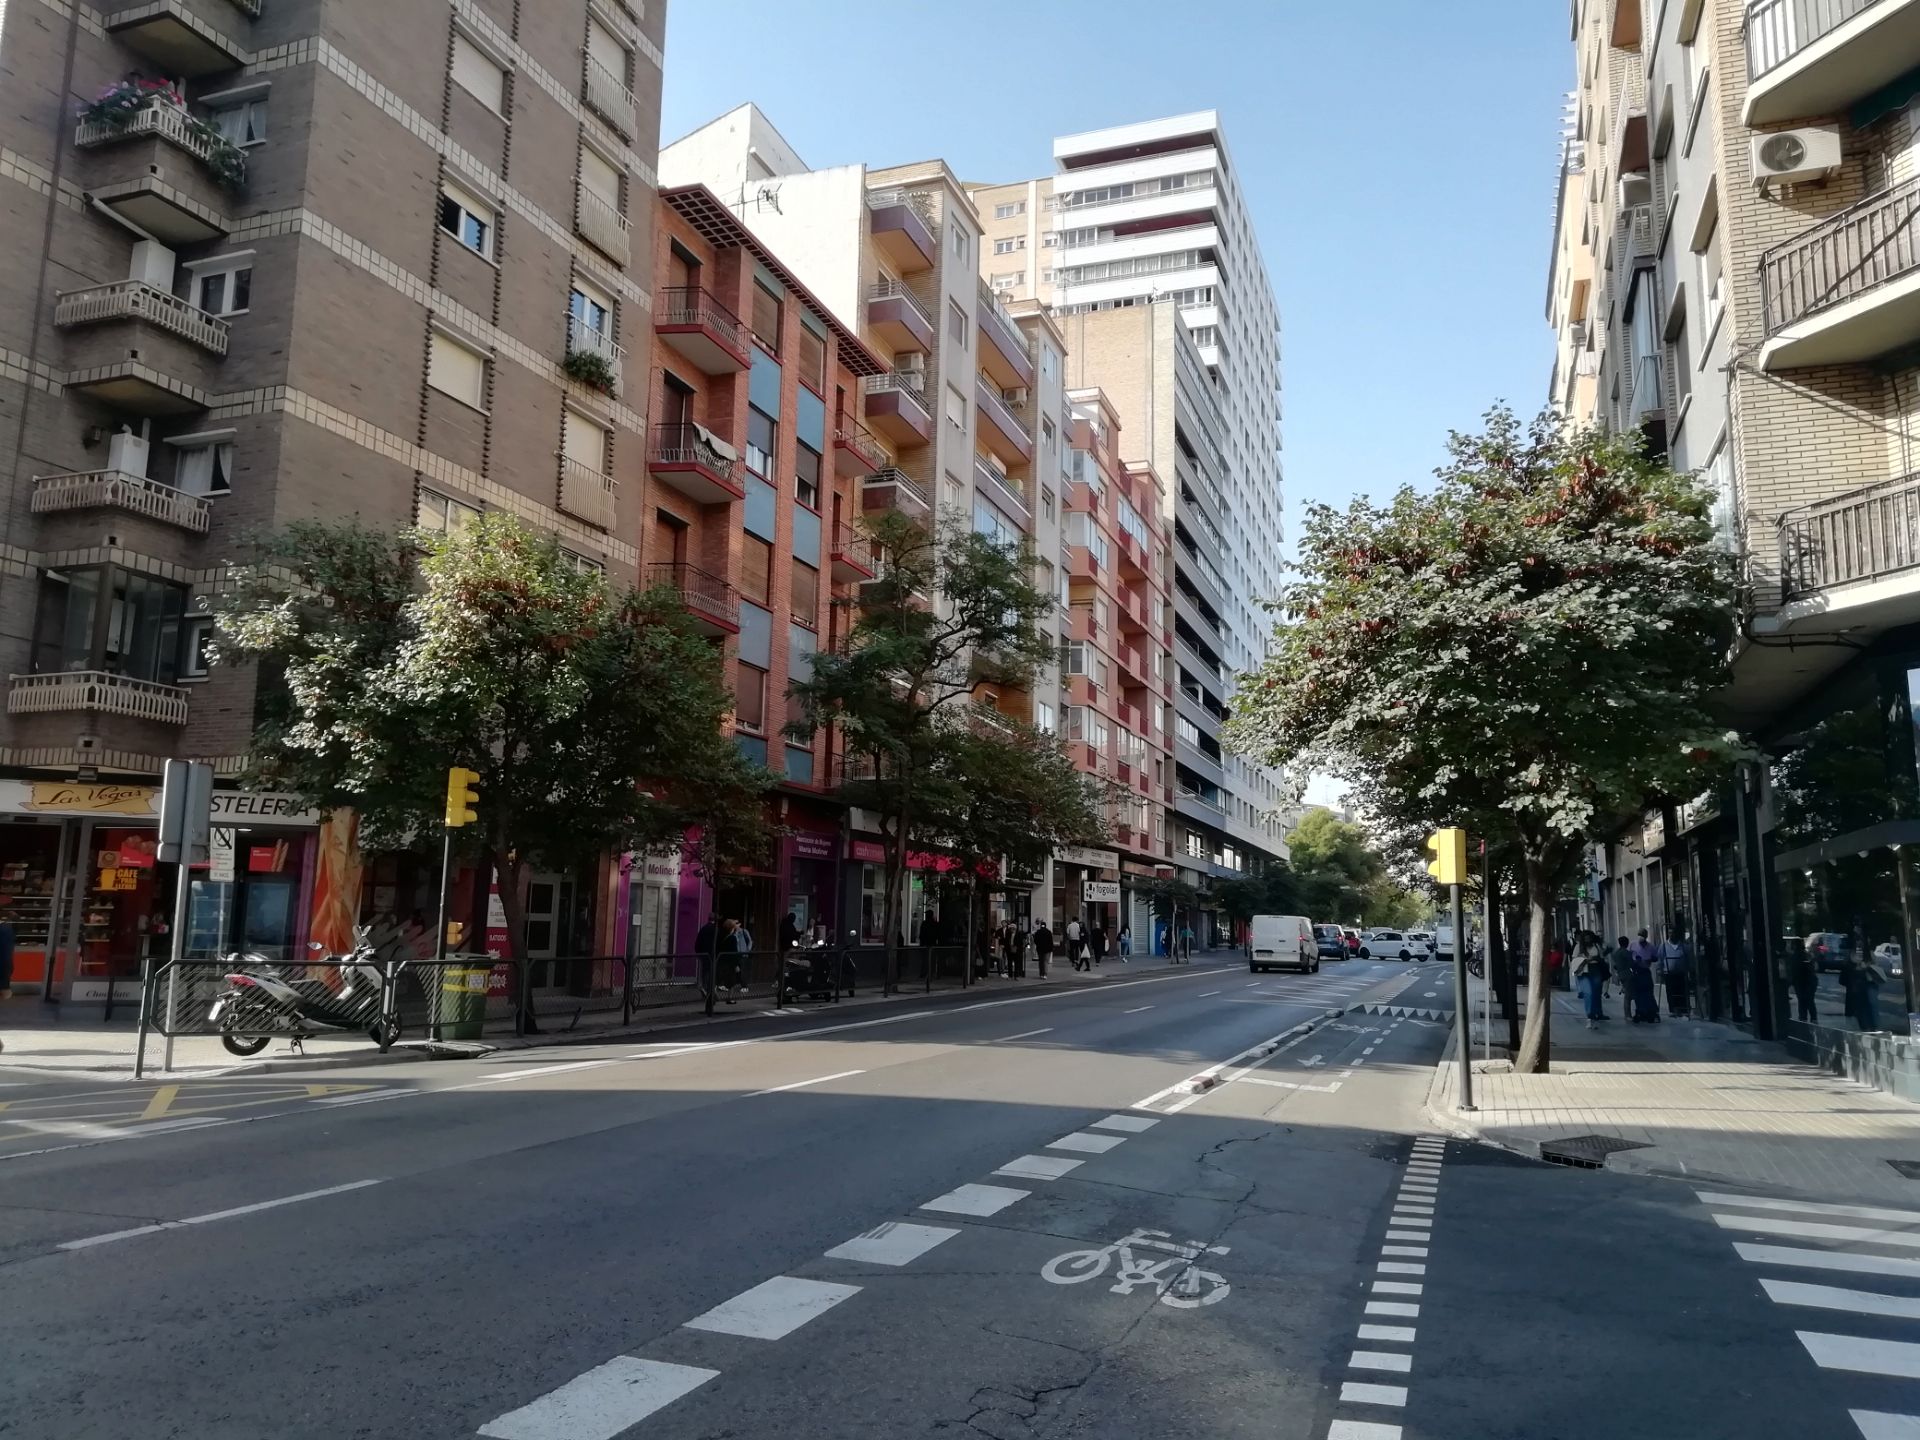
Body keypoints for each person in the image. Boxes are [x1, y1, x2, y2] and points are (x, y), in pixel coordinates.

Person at [1573, 931, 1609, 1028]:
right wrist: (1585, 960)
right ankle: (1590, 1015)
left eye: (1589, 938)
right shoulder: (1578, 947)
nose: (1588, 940)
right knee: (1588, 993)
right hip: (1583, 971)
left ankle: (1597, 1012)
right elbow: (1574, 959)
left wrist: (1595, 958)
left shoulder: (1596, 946)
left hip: (1595, 969)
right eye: (1586, 938)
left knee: (1596, 992)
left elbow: (1601, 957)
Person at [693, 915, 722, 1016]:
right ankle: (710, 993)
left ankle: (705, 989)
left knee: (705, 972)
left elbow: (697, 943)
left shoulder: (703, 929)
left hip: (704, 955)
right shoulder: (716, 930)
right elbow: (719, 943)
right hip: (713, 956)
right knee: (713, 974)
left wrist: (699, 953)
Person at [1660, 932, 1692, 1019]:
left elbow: (1688, 957)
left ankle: (1683, 1009)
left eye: (1673, 933)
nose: (1671, 935)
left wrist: (1689, 969)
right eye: (1669, 933)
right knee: (1671, 992)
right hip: (1669, 973)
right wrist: (1660, 969)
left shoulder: (1683, 946)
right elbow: (1660, 958)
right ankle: (1674, 1010)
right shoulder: (1664, 946)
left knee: (1682, 991)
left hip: (1681, 973)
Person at [1629, 937, 1661, 1024]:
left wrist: (1650, 959)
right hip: (1639, 974)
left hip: (1644, 973)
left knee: (1647, 994)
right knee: (1641, 995)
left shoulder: (1650, 947)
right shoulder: (1633, 946)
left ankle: (1649, 1012)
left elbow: (1656, 957)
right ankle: (1644, 1012)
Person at [1790, 943, 1818, 1025]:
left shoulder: (1795, 957)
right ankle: (1813, 1018)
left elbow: (1794, 971)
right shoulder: (1808, 955)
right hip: (1809, 981)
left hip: (1801, 981)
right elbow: (1813, 968)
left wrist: (1792, 982)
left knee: (1802, 1001)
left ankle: (1803, 1018)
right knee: (1810, 1000)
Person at [1610, 934, 1635, 1021]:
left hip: (1620, 974)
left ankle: (1627, 1014)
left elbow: (1615, 965)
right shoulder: (1626, 952)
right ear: (1627, 943)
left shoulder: (1616, 953)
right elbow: (1632, 963)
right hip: (1627, 973)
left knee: (1627, 994)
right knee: (1628, 996)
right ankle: (1628, 1015)